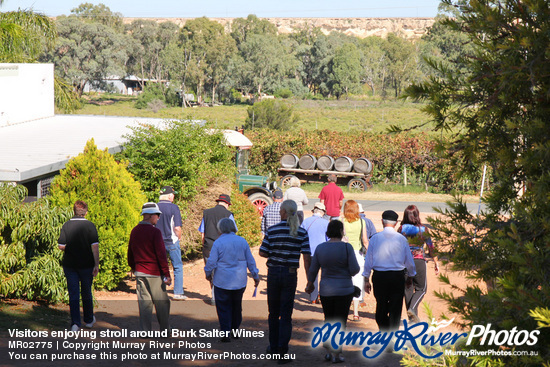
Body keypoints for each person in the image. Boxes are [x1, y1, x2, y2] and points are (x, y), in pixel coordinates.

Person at [260, 200, 311, 364]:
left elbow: (263, 252)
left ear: (282, 212)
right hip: (290, 275)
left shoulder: (272, 230)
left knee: (273, 314)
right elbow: (307, 256)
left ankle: (273, 347)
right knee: (286, 315)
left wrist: (276, 253)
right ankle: (283, 350)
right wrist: (310, 280)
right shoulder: (301, 232)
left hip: (274, 273)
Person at [306, 220, 359, 363]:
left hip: (326, 290)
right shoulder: (347, 248)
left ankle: (329, 351)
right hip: (344, 289)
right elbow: (355, 270)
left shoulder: (320, 248)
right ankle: (337, 353)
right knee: (341, 321)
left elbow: (313, 269)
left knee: (328, 319)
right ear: (341, 231)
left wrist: (310, 283)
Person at [204, 218, 260, 342]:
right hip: (239, 280)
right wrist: (255, 275)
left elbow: (211, 262)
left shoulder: (218, 243)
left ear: (220, 229)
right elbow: (250, 261)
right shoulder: (242, 241)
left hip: (222, 280)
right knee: (236, 306)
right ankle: (235, 330)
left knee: (223, 307)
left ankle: (225, 332)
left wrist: (208, 274)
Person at [363, 210, 416, 335]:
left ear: (382, 221)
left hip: (379, 276)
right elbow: (409, 260)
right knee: (395, 308)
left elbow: (368, 260)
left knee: (381, 305)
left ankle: (384, 332)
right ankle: (391, 336)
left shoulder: (375, 238)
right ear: (396, 223)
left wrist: (366, 278)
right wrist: (411, 276)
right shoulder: (401, 239)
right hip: (397, 276)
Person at [128, 202, 172, 333]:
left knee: (144, 304)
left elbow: (130, 252)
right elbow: (161, 255)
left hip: (140, 272)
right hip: (154, 273)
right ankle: (165, 331)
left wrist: (133, 266)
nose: (158, 218)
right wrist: (167, 274)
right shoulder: (155, 232)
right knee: (162, 304)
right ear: (150, 216)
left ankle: (145, 331)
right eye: (157, 215)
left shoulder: (135, 230)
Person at [58, 200, 99, 332]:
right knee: (86, 291)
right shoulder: (90, 226)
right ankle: (88, 319)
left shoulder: (66, 225)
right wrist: (96, 264)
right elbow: (95, 247)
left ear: (74, 211)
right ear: (86, 212)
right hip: (87, 264)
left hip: (70, 264)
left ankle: (75, 323)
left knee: (73, 292)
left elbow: (61, 246)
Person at [398, 205, 439, 323]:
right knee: (421, 289)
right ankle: (412, 310)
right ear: (417, 215)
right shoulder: (423, 229)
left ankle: (412, 318)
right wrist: (436, 262)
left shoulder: (401, 229)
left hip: (405, 262)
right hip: (419, 261)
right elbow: (431, 248)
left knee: (408, 289)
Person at [198, 194, 236, 304]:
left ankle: (214, 295)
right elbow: (233, 232)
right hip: (224, 247)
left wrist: (204, 245)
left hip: (209, 246)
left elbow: (202, 232)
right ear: (227, 204)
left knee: (211, 271)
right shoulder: (228, 214)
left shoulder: (206, 213)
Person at [157, 186, 186, 301]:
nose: (174, 196)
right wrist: (178, 238)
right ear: (169, 196)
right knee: (177, 267)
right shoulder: (174, 208)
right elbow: (177, 227)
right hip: (171, 241)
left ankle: (160, 292)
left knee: (160, 266)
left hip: (158, 242)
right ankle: (178, 293)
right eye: (173, 194)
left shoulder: (155, 207)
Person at [341, 200, 368, 321]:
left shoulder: (341, 222)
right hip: (358, 253)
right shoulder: (362, 222)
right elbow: (365, 241)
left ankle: (344, 309)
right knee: (357, 282)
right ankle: (356, 312)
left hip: (345, 253)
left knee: (345, 282)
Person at [300, 202, 329, 304]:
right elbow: (329, 239)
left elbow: (301, 236)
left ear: (313, 211)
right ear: (323, 212)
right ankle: (323, 295)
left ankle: (313, 297)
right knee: (324, 274)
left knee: (312, 274)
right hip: (323, 252)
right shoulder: (326, 223)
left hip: (308, 252)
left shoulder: (305, 222)